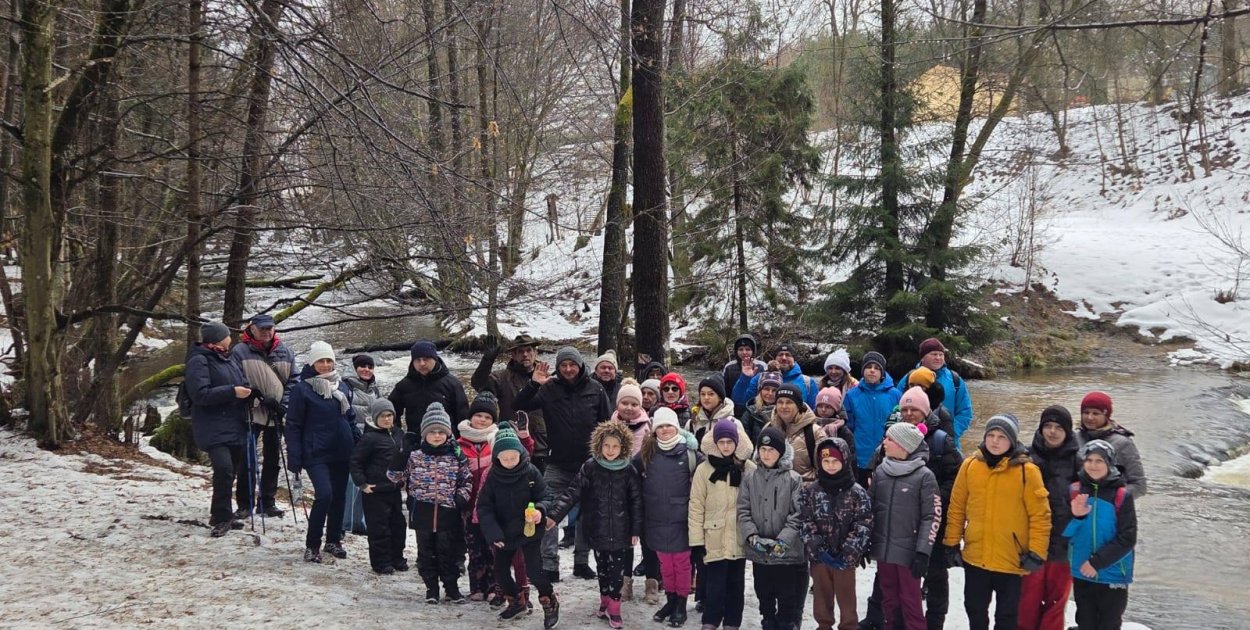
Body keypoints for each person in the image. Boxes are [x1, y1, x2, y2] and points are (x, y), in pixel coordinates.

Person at [861, 387, 961, 630]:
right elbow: (875, 476)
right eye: (904, 409)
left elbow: (956, 478)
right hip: (892, 529)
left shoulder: (941, 440)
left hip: (929, 522)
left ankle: (934, 624)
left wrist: (930, 498)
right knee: (888, 585)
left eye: (913, 409)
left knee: (932, 578)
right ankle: (878, 619)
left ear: (925, 411)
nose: (908, 413)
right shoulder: (893, 436)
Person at [944, 414, 1052, 630]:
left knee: (1007, 616)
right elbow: (957, 508)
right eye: (991, 435)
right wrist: (951, 543)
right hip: (976, 556)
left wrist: (1037, 552)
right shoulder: (970, 466)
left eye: (1001, 437)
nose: (994, 441)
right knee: (975, 609)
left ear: (1012, 440)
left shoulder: (1027, 472)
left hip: (1011, 559)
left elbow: (1040, 516)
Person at [515, 346, 612, 583]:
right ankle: (549, 564)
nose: (568, 369)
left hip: (589, 463)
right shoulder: (549, 388)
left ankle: (581, 562)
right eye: (563, 365)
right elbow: (519, 405)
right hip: (557, 462)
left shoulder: (596, 389)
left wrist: (604, 458)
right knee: (548, 511)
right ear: (558, 368)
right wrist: (534, 383)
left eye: (572, 364)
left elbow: (607, 425)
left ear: (580, 365)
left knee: (586, 514)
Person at [542, 420, 643, 629]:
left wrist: (635, 530)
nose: (610, 450)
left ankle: (615, 608)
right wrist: (554, 516)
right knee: (602, 569)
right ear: (599, 445)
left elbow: (636, 501)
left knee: (617, 572)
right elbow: (572, 493)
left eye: (615, 446)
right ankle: (604, 600)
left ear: (623, 447)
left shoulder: (628, 470)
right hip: (597, 528)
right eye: (607, 445)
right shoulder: (591, 467)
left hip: (621, 531)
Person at [476, 422, 560, 627]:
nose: (509, 462)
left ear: (520, 453)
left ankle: (549, 601)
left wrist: (540, 510)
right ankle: (516, 600)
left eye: (512, 457)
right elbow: (484, 507)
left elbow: (546, 496)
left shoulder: (530, 472)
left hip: (529, 530)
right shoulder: (493, 477)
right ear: (497, 457)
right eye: (504, 458)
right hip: (504, 532)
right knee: (500, 571)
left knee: (534, 571)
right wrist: (493, 533)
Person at [285, 341, 360, 563]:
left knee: (339, 497)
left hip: (342, 450)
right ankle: (312, 545)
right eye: (321, 361)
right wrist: (294, 456)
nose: (326, 365)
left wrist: (359, 446)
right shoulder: (302, 390)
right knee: (324, 495)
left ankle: (333, 540)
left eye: (329, 361)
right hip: (316, 452)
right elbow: (293, 425)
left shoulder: (342, 387)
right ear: (312, 363)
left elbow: (350, 418)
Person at [458, 391, 535, 605]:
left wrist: (523, 435)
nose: (482, 420)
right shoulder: (459, 443)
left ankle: (496, 587)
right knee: (475, 549)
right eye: (478, 415)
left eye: (487, 417)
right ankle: (477, 586)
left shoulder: (498, 437)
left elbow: (524, 454)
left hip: (496, 506)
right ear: (471, 416)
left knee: (495, 548)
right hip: (469, 505)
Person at [398, 402, 472, 604]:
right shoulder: (415, 456)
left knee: (447, 552)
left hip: (448, 511)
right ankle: (431, 589)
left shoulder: (455, 456)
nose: (437, 436)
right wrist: (402, 454)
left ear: (448, 434)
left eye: (441, 432)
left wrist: (460, 498)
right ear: (425, 434)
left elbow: (466, 479)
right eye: (432, 432)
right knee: (426, 553)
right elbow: (395, 477)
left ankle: (452, 588)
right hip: (422, 512)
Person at [870, 422, 940, 630]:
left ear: (903, 445)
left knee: (911, 602)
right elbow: (870, 509)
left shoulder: (924, 476)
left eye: (889, 439)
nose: (884, 443)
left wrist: (923, 552)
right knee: (889, 601)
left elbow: (931, 516)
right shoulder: (881, 472)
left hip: (909, 554)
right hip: (884, 551)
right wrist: (866, 542)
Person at [798, 436, 872, 630]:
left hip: (845, 559)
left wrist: (849, 551)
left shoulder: (857, 492)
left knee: (847, 599)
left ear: (844, 461)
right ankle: (824, 625)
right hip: (820, 558)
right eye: (826, 461)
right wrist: (818, 548)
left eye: (835, 461)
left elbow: (864, 523)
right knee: (821, 598)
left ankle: (849, 626)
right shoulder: (811, 491)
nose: (830, 465)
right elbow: (805, 520)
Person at [635, 408, 703, 622]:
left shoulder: (690, 454)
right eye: (660, 426)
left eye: (669, 425)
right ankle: (670, 601)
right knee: (664, 564)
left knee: (682, 564)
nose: (665, 429)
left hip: (681, 519)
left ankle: (681, 603)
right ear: (654, 430)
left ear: (677, 428)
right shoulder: (647, 453)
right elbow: (630, 473)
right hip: (655, 517)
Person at [185, 321, 252, 538]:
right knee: (223, 469)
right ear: (218, 339)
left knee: (230, 471)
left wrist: (250, 393)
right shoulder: (199, 360)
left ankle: (222, 513)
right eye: (227, 335)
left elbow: (241, 382)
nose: (230, 338)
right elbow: (200, 394)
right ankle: (221, 517)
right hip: (212, 426)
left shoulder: (228, 358)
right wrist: (233, 392)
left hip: (235, 424)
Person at [738, 426, 807, 630]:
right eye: (763, 449)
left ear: (781, 453)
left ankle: (786, 622)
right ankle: (767, 619)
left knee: (787, 592)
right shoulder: (750, 478)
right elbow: (743, 510)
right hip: (760, 551)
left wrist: (784, 540)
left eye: (772, 450)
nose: (766, 454)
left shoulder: (794, 479)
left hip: (785, 552)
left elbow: (798, 514)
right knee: (763, 589)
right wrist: (752, 536)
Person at [1063, 440, 1137, 630]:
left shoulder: (1122, 496)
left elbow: (1127, 538)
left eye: (1099, 461)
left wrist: (1096, 563)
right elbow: (1064, 533)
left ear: (1109, 464)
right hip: (1082, 572)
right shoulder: (1074, 491)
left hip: (1113, 574)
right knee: (1085, 622)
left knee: (1109, 623)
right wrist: (1077, 517)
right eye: (1089, 460)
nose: (1093, 465)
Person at [690, 419, 755, 630]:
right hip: (713, 537)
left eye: (730, 442)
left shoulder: (748, 469)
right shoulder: (704, 470)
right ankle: (710, 621)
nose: (726, 446)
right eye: (721, 442)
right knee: (714, 585)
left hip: (738, 537)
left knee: (736, 585)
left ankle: (732, 622)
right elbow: (696, 506)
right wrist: (696, 541)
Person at [1019, 406, 1080, 630]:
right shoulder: (1025, 457)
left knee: (1057, 601)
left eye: (1058, 428)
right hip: (1031, 543)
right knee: (1027, 600)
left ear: (1067, 431)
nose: (1052, 432)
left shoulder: (1079, 462)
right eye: (1048, 426)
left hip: (1064, 544)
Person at [231, 313, 296, 519]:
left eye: (270, 328)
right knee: (247, 459)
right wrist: (256, 397)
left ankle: (267, 502)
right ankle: (245, 504)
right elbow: (235, 379)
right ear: (252, 329)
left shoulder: (285, 352)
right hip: (249, 413)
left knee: (273, 459)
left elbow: (294, 381)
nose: (267, 332)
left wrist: (283, 405)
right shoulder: (239, 351)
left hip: (276, 414)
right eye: (262, 329)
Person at [472, 334, 548, 471]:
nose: (525, 354)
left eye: (529, 350)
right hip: (511, 446)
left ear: (535, 352)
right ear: (513, 355)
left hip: (541, 447)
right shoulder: (501, 377)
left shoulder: (546, 377)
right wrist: (487, 360)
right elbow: (478, 385)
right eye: (520, 351)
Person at [349, 399, 407, 574]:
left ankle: (397, 558)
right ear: (375, 418)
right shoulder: (369, 438)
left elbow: (405, 458)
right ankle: (381, 562)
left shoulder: (399, 434)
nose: (387, 419)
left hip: (394, 489)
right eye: (382, 416)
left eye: (389, 415)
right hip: (375, 491)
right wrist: (362, 483)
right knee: (379, 528)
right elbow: (355, 461)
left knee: (398, 526)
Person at [897, 338, 973, 441]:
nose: (938, 358)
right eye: (934, 354)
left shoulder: (955, 380)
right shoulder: (908, 379)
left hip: (945, 441)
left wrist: (950, 433)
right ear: (922, 357)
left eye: (941, 355)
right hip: (912, 439)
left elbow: (965, 412)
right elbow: (897, 407)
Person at [1074, 392, 1147, 498]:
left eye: (1096, 413)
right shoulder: (1074, 437)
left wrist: (1114, 498)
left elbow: (1139, 485)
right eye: (1086, 412)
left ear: (1106, 415)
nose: (1090, 417)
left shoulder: (1123, 443)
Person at [843, 351, 901, 486]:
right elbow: (849, 427)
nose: (872, 371)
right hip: (861, 457)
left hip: (888, 456)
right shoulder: (851, 395)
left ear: (882, 372)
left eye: (877, 368)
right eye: (869, 367)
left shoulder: (895, 395)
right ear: (863, 371)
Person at [389, 340, 469, 434]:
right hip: (415, 439)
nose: (422, 363)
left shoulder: (452, 384)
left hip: (446, 439)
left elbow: (463, 417)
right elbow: (390, 413)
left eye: (426, 359)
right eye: (418, 360)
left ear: (435, 359)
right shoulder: (404, 386)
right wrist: (397, 435)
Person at [343, 353, 380, 536]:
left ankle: (359, 522)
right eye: (362, 366)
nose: (366, 370)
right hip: (351, 440)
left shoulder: (375, 389)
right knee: (350, 482)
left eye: (370, 366)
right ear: (354, 368)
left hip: (370, 440)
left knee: (365, 480)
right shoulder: (346, 387)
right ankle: (345, 522)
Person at [733, 342, 818, 412]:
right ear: (775, 358)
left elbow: (814, 412)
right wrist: (744, 378)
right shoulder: (760, 378)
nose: (784, 358)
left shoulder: (808, 382)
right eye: (780, 355)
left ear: (794, 359)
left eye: (788, 355)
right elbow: (740, 402)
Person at [769, 383, 821, 482]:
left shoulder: (815, 432)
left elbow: (823, 470)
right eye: (780, 402)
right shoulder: (769, 428)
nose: (784, 406)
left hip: (805, 489)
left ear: (798, 406)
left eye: (789, 402)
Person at [723, 333, 768, 419]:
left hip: (756, 411)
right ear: (736, 351)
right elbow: (725, 391)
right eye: (741, 349)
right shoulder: (729, 367)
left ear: (753, 351)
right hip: (733, 411)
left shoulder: (762, 366)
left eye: (748, 349)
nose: (744, 352)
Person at [813, 387, 856, 469]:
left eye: (828, 407)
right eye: (820, 406)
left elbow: (851, 460)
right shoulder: (810, 426)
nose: (823, 410)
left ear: (836, 408)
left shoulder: (843, 431)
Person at [688, 373, 735, 446]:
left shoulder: (733, 423)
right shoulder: (692, 422)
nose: (706, 397)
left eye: (711, 394)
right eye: (703, 394)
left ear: (720, 397)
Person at [742, 371, 781, 445]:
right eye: (766, 389)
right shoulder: (750, 413)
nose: (770, 393)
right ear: (760, 391)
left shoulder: (783, 413)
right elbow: (745, 441)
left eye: (774, 390)